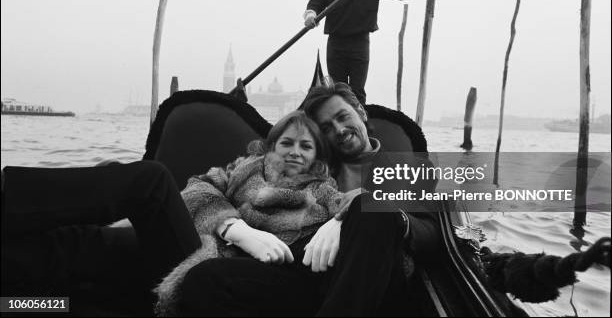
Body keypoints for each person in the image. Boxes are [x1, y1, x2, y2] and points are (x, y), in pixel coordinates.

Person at [175, 81, 440, 316]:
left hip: (373, 279)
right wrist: (238, 230)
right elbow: (204, 186)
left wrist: (365, 209)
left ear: (360, 111)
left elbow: (431, 232)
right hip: (302, 273)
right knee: (204, 279)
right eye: (326, 127)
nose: (339, 129)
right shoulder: (307, 162)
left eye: (343, 116)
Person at [155, 110, 359, 315]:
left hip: (303, 267)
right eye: (287, 143)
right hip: (248, 263)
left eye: (306, 146)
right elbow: (197, 188)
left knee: (206, 278)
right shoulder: (240, 171)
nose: (295, 152)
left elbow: (350, 204)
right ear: (272, 146)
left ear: (316, 155)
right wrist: (235, 229)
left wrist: (339, 220)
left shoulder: (321, 187)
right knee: (203, 278)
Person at [1, 161, 202, 295]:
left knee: (153, 183)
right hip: (207, 245)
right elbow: (206, 185)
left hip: (213, 278)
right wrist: (226, 224)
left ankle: (6, 193)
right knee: (76, 243)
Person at [304, 0, 432, 105]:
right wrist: (311, 17)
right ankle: (338, 129)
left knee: (357, 92)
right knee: (337, 92)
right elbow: (314, 5)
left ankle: (360, 128)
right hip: (336, 43)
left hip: (360, 43)